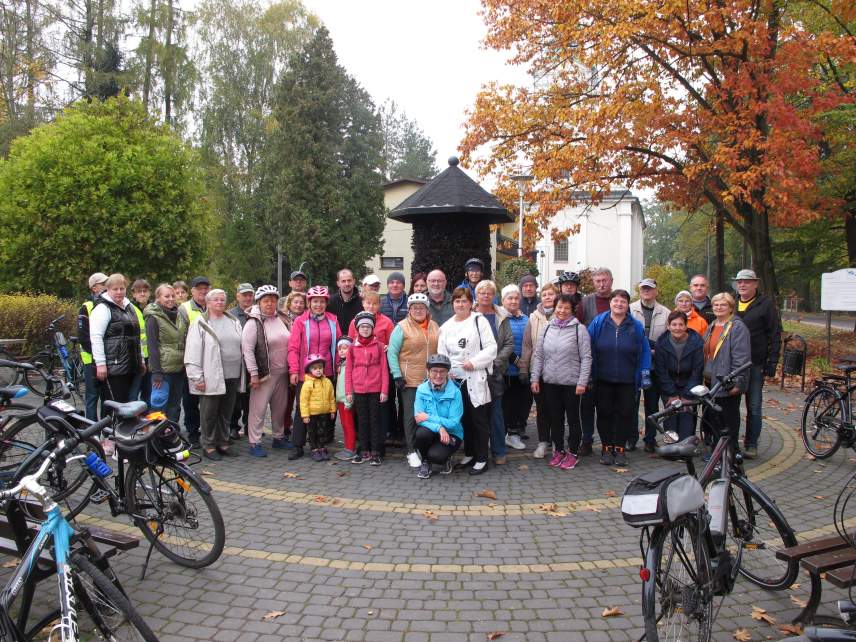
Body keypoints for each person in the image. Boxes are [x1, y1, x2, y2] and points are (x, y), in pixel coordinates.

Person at [587, 289, 652, 467]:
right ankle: (606, 448)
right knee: (604, 413)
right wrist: (588, 374)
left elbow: (645, 351)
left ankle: (620, 449)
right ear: (610, 303)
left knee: (625, 414)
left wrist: (645, 373)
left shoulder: (636, 326)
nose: (619, 304)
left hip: (628, 380)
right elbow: (587, 347)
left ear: (627, 305)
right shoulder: (598, 322)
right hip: (603, 379)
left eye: (623, 301)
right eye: (615, 300)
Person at [437, 287, 497, 475]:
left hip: (475, 378)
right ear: (452, 303)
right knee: (464, 420)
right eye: (457, 301)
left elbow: (491, 348)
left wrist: (474, 362)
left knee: (479, 420)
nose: (461, 304)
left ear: (471, 303)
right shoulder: (446, 327)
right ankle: (470, 454)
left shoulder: (479, 321)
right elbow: (442, 353)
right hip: (455, 381)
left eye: (464, 301)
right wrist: (446, 372)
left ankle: (481, 458)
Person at [530, 293, 592, 470]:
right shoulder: (547, 328)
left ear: (572, 310)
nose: (562, 311)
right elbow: (539, 356)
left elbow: (586, 358)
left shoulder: (579, 329)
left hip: (572, 384)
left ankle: (573, 452)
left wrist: (582, 382)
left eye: (566, 308)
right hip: (550, 382)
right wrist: (535, 378)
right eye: (559, 307)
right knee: (555, 418)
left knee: (573, 419)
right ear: (554, 308)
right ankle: (559, 450)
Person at [184, 289, 243, 460]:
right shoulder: (200, 323)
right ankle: (208, 445)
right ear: (208, 303)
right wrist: (196, 377)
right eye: (215, 299)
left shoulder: (233, 321)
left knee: (226, 411)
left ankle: (223, 442)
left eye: (222, 299)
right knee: (209, 413)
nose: (219, 302)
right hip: (211, 375)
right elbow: (192, 351)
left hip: (232, 374)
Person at [287, 285, 341, 461]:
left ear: (326, 303)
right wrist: (294, 370)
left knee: (323, 409)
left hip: (326, 373)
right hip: (306, 374)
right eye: (315, 301)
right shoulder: (300, 321)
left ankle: (320, 444)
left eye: (322, 302)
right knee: (303, 408)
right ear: (309, 303)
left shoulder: (333, 320)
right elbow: (293, 348)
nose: (318, 305)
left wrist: (339, 365)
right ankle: (298, 445)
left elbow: (339, 345)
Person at [387, 292, 440, 468]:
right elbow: (392, 352)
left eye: (421, 308)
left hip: (432, 380)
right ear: (409, 310)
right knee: (411, 416)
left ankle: (427, 447)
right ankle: (411, 450)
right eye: (414, 308)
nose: (418, 310)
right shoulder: (401, 327)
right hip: (409, 380)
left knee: (431, 414)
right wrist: (397, 375)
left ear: (427, 309)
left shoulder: (434, 326)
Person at [733, 269, 782, 459]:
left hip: (755, 364)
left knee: (753, 406)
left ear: (755, 284)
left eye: (747, 281)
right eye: (739, 282)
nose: (742, 284)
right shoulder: (731, 302)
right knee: (732, 405)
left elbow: (774, 334)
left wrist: (772, 362)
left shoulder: (765, 305)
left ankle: (751, 444)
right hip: (734, 365)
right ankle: (730, 442)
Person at [242, 285, 292, 458]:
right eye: (266, 301)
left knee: (280, 408)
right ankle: (254, 442)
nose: (270, 304)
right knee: (258, 409)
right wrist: (254, 374)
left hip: (282, 372)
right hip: (264, 374)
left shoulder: (281, 318)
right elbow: (247, 350)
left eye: (273, 300)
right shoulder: (253, 322)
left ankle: (279, 437)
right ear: (259, 302)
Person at [702, 292, 751, 449]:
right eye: (716, 305)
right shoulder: (712, 325)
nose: (719, 307)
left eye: (723, 305)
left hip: (726, 383)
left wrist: (738, 383)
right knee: (715, 420)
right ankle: (717, 453)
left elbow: (741, 358)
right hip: (711, 382)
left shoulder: (737, 327)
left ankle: (730, 455)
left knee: (727, 422)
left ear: (731, 308)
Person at [90, 273, 145, 405]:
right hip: (113, 369)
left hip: (131, 366)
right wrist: (100, 364)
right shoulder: (103, 308)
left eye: (122, 288)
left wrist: (141, 359)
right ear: (108, 290)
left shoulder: (130, 307)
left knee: (129, 406)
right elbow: (96, 337)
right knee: (116, 407)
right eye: (115, 289)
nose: (119, 292)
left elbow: (136, 337)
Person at [629, 278, 669, 452]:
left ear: (656, 291)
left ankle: (650, 439)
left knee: (652, 405)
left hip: (655, 365)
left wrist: (654, 351)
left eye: (650, 288)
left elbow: (668, 339)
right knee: (632, 403)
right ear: (640, 290)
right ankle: (631, 438)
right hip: (634, 364)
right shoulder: (630, 309)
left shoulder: (665, 312)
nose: (646, 291)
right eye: (644, 288)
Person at [474, 280, 511, 465]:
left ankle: (499, 451)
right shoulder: (469, 314)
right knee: (475, 413)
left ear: (494, 295)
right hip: (474, 370)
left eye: (489, 293)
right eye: (482, 292)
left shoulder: (501, 316)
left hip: (494, 371)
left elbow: (509, 343)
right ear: (476, 295)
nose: (486, 295)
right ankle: (476, 451)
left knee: (496, 413)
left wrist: (494, 362)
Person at [579, 267, 615, 456]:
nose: (602, 284)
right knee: (586, 405)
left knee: (606, 407)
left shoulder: (618, 300)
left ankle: (607, 442)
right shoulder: (585, 302)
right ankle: (587, 440)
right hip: (589, 362)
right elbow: (577, 328)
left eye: (605, 280)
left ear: (611, 281)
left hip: (611, 363)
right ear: (593, 283)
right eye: (598, 281)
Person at [520, 282, 559, 455]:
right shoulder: (533, 317)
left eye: (551, 294)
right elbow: (527, 345)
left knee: (557, 407)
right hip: (538, 370)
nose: (547, 297)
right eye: (544, 295)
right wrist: (524, 368)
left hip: (559, 371)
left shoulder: (563, 314)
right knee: (542, 408)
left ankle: (557, 441)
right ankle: (543, 441)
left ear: (557, 297)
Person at [346, 312, 389, 465]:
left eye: (368, 327)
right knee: (362, 420)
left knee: (375, 420)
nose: (365, 329)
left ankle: (376, 451)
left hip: (375, 389)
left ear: (372, 329)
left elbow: (384, 369)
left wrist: (384, 390)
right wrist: (349, 391)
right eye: (362, 326)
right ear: (357, 329)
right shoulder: (352, 347)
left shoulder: (379, 346)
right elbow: (348, 370)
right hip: (358, 389)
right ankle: (364, 450)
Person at [654, 310, 705, 440]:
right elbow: (660, 370)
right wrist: (672, 394)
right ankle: (671, 445)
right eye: (674, 324)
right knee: (670, 415)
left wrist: (687, 395)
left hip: (689, 384)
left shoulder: (697, 342)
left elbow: (697, 370)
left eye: (681, 324)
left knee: (686, 415)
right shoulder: (661, 343)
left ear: (686, 325)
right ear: (668, 326)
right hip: (669, 385)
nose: (677, 328)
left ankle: (686, 445)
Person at [413, 354, 464, 479]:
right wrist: (439, 428)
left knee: (436, 456)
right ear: (428, 371)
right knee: (421, 434)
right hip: (432, 431)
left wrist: (429, 417)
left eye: (442, 371)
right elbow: (418, 418)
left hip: (452, 433)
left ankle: (446, 457)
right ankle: (425, 461)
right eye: (434, 371)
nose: (438, 375)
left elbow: (453, 422)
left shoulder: (456, 392)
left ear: (447, 372)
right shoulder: (421, 390)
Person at [144, 284, 185, 422]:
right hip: (163, 370)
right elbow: (152, 346)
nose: (171, 299)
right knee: (159, 404)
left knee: (175, 406)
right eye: (167, 296)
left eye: (173, 295)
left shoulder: (178, 314)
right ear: (158, 298)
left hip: (178, 368)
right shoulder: (153, 317)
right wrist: (156, 373)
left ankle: (172, 432)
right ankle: (156, 433)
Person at [178, 276, 210, 449]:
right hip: (191, 360)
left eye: (206, 288)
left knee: (209, 399)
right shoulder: (184, 308)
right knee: (190, 400)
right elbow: (180, 336)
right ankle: (193, 433)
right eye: (199, 289)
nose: (203, 292)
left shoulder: (213, 306)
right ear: (192, 291)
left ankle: (208, 432)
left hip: (210, 362)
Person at [499, 285, 530, 450]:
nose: (513, 301)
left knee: (518, 405)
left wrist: (524, 363)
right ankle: (499, 436)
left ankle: (513, 435)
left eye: (516, 298)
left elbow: (530, 342)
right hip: (505, 369)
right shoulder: (500, 318)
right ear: (503, 300)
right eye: (509, 298)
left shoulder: (526, 319)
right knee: (504, 406)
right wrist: (515, 360)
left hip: (522, 371)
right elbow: (500, 342)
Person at [77, 272, 108, 421]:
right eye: (104, 284)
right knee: (92, 397)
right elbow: (83, 337)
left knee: (107, 398)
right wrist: (98, 355)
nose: (107, 287)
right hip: (91, 361)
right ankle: (92, 431)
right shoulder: (86, 307)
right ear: (94, 288)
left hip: (107, 360)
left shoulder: (109, 304)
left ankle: (107, 430)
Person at [228, 283, 255, 441]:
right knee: (236, 398)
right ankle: (233, 427)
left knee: (252, 398)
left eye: (250, 295)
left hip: (254, 363)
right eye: (244, 295)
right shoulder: (230, 315)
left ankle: (249, 426)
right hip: (237, 362)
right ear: (238, 296)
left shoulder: (257, 313)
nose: (247, 298)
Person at [301, 354, 337, 462]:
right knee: (313, 432)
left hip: (324, 412)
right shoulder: (307, 384)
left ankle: (321, 447)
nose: (318, 370)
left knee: (322, 431)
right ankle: (314, 449)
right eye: (315, 368)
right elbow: (304, 401)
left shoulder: (327, 382)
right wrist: (305, 415)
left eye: (320, 368)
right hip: (312, 414)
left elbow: (331, 397)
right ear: (309, 370)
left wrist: (332, 410)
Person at [128, 278, 151, 403]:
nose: (142, 294)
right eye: (139, 291)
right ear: (133, 294)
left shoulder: (154, 308)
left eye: (145, 291)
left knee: (148, 394)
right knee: (133, 394)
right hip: (135, 358)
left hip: (150, 357)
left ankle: (147, 415)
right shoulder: (129, 308)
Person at [334, 336, 357, 460]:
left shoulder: (350, 365)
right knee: (343, 424)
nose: (342, 351)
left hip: (347, 400)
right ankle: (347, 447)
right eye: (340, 349)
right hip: (341, 400)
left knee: (348, 425)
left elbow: (351, 384)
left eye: (345, 348)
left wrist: (349, 400)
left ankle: (350, 448)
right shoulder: (341, 364)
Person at [328, 269, 362, 335]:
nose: (347, 284)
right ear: (338, 283)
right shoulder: (330, 302)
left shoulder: (362, 302)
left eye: (349, 280)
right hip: (335, 339)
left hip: (355, 340)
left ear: (354, 281)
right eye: (343, 281)